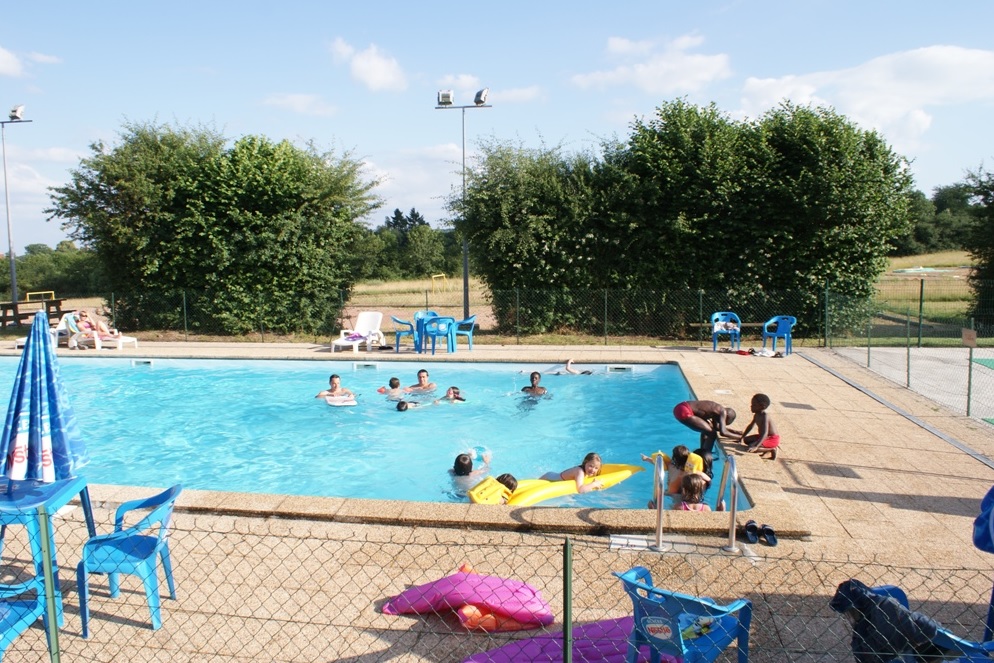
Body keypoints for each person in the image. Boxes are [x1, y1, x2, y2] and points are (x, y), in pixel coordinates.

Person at [671, 400, 737, 454]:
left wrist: (735, 432)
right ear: (727, 416)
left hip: (680, 407)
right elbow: (723, 432)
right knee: (712, 433)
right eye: (724, 422)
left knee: (707, 429)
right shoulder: (723, 412)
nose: (721, 422)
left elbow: (717, 427)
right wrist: (740, 438)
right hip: (685, 411)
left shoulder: (717, 409)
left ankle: (702, 452)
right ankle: (706, 457)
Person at [642, 445, 707, 495]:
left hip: (671, 492)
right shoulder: (689, 470)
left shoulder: (671, 466)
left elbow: (658, 463)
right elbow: (703, 477)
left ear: (674, 458)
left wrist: (647, 458)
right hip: (685, 493)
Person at [734, 393, 781, 460]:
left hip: (772, 439)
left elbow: (765, 433)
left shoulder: (765, 416)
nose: (751, 406)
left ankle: (772, 449)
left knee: (751, 447)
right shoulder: (756, 415)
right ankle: (764, 447)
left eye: (754, 405)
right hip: (762, 436)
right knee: (746, 440)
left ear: (762, 407)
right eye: (751, 404)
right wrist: (742, 437)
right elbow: (750, 426)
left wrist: (756, 446)